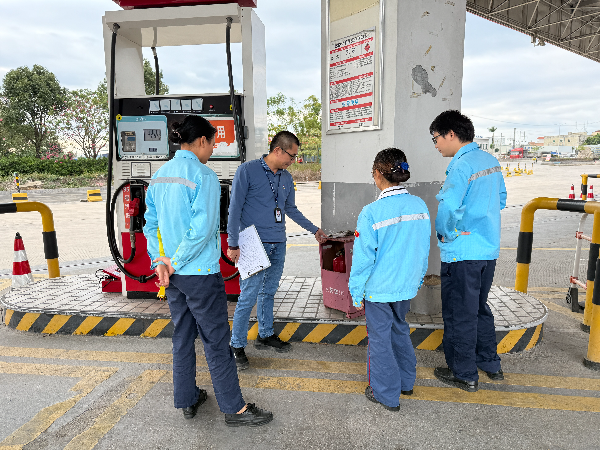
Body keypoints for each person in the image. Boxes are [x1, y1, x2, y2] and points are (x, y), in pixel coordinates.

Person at [143, 115, 273, 427]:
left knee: (182, 336)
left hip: (173, 278)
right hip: (199, 274)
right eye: (213, 143)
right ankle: (234, 409)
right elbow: (202, 230)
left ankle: (187, 399)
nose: (213, 150)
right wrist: (174, 261)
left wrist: (161, 261)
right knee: (216, 341)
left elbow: (151, 225)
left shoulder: (158, 176)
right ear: (202, 140)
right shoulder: (204, 176)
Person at [227, 130, 328, 369]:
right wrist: (233, 243)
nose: (293, 160)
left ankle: (265, 334)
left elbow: (290, 209)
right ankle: (236, 345)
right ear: (278, 150)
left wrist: (314, 230)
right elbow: (234, 208)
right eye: (291, 156)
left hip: (278, 242)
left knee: (269, 291)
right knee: (248, 296)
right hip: (252, 243)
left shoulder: (286, 177)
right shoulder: (247, 170)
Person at [430, 110, 507, 392]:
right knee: (479, 308)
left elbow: (448, 208)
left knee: (459, 313)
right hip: (487, 251)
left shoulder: (460, 166)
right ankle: (490, 364)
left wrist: (446, 233)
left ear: (451, 134)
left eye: (436, 138)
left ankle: (464, 373)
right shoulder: (490, 161)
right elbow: (501, 200)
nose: (436, 145)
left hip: (462, 254)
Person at [349, 148, 430, 411]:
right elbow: (423, 249)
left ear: (377, 174)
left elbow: (363, 259)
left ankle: (385, 394)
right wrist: (417, 279)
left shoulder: (371, 212)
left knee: (380, 340)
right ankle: (406, 382)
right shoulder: (419, 206)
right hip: (405, 287)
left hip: (379, 290)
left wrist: (356, 292)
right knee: (400, 330)